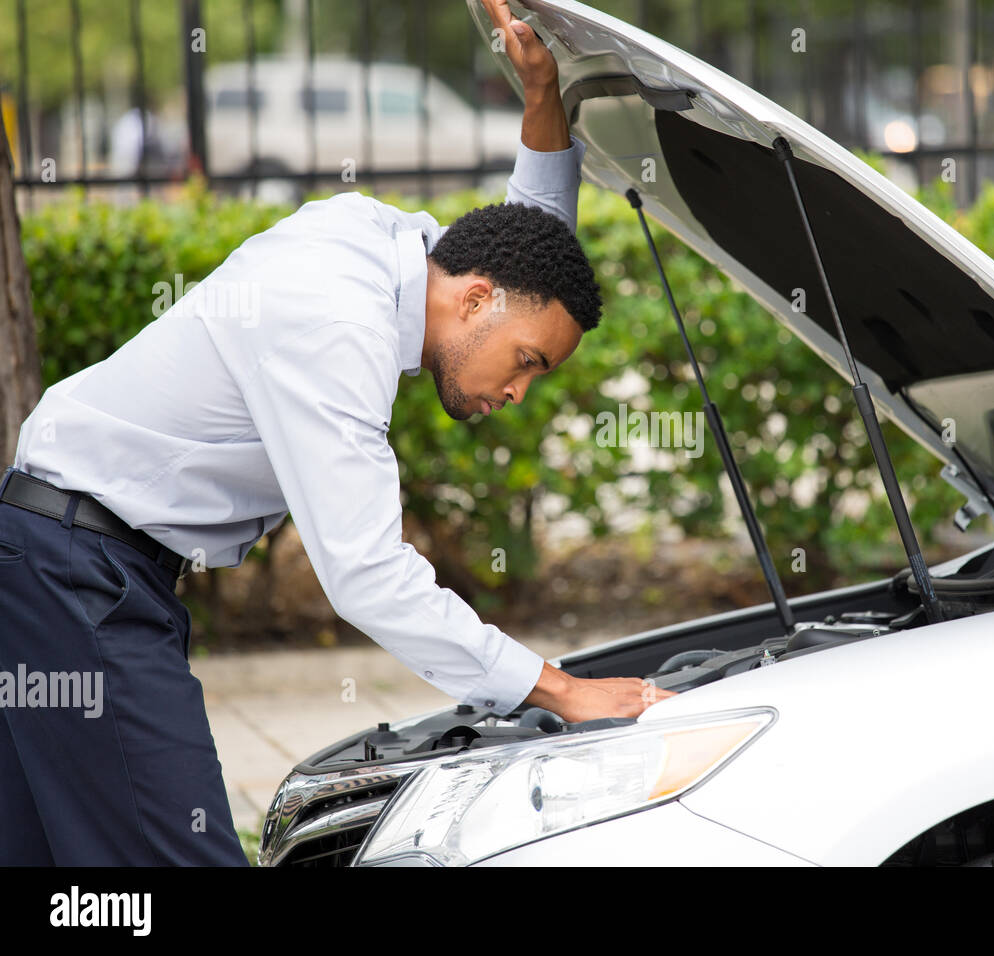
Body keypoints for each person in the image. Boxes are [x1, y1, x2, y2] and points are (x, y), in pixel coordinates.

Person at [0, 0, 674, 866]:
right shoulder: (335, 323)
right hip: (78, 583)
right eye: (528, 362)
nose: (517, 391)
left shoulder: (396, 251)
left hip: (55, 561)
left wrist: (542, 99)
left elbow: (527, 253)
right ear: (474, 303)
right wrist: (559, 689)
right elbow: (366, 575)